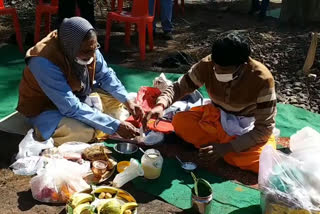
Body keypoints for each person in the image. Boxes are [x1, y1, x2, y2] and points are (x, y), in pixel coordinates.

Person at [144, 33, 277, 173]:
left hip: (244, 126)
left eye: (224, 70)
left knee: (261, 161)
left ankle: (219, 148)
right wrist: (161, 104)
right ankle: (218, 148)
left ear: (242, 65)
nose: (218, 72)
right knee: (180, 122)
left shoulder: (262, 79)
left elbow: (264, 128)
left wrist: (227, 148)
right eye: (216, 68)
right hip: (215, 117)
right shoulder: (207, 64)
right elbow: (180, 87)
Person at [17, 17, 143, 146]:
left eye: (95, 48)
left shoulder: (87, 45)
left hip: (76, 97)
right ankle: (42, 130)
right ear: (70, 48)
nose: (92, 55)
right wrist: (115, 126)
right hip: (46, 108)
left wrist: (128, 101)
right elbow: (70, 107)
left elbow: (105, 75)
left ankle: (100, 120)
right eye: (87, 51)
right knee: (83, 132)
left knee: (120, 98)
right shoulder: (43, 62)